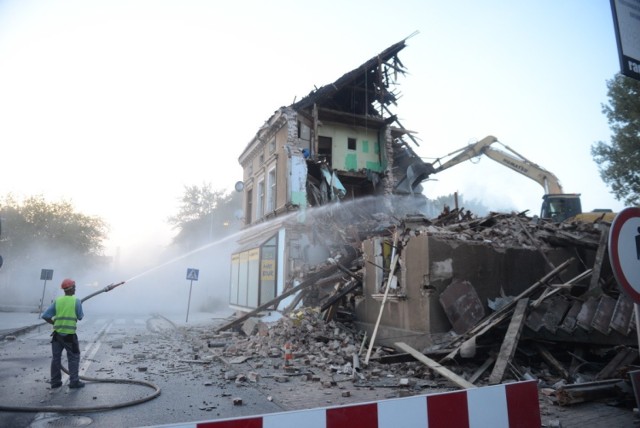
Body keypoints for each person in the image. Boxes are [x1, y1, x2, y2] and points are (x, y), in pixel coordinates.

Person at [41, 278, 85, 389]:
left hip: (57, 336)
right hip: (70, 336)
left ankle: (55, 382)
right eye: (74, 287)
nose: (75, 289)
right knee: (73, 357)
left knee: (56, 358)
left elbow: (45, 316)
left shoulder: (58, 301)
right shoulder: (76, 301)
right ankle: (74, 382)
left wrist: (54, 323)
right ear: (71, 289)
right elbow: (80, 317)